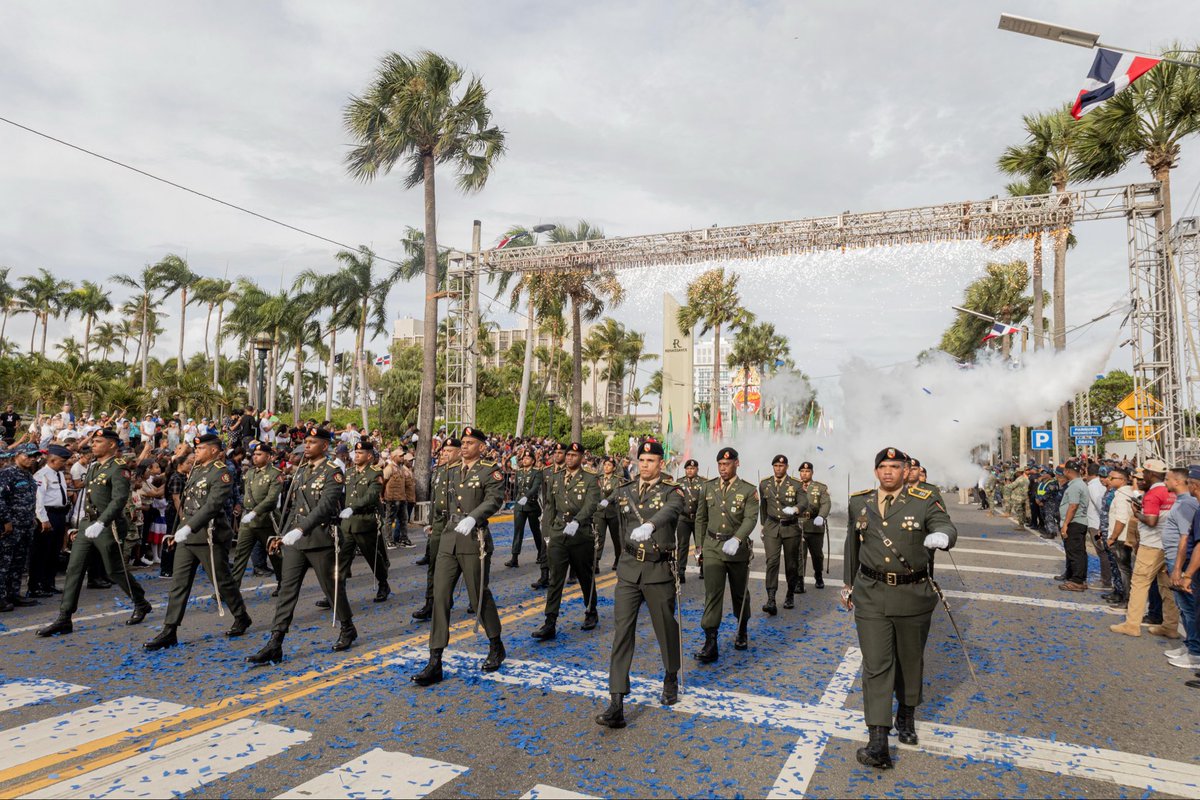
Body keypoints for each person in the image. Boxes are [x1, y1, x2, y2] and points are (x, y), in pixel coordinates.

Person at [842, 446, 957, 769]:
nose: (889, 471)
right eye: (883, 466)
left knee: (909, 660)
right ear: (876, 471)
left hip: (912, 593)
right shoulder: (859, 501)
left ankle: (906, 713)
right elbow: (853, 545)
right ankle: (878, 739)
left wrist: (943, 538)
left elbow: (945, 524)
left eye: (895, 466)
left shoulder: (923, 500)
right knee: (876, 664)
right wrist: (848, 584)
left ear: (906, 471)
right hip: (871, 593)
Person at [595, 440, 685, 728]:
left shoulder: (672, 491)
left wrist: (652, 525)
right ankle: (616, 701)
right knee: (622, 633)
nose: (644, 465)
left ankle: (671, 674)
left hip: (658, 570)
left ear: (661, 464)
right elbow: (618, 527)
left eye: (650, 461)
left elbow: (671, 511)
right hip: (629, 570)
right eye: (641, 460)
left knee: (665, 628)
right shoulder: (624, 491)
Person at [245, 427, 353, 664]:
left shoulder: (333, 472)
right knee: (287, 591)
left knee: (332, 589)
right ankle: (276, 642)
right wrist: (281, 535)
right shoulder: (302, 471)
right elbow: (292, 507)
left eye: (313, 442)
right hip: (295, 540)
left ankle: (347, 627)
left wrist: (300, 529)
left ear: (325, 446)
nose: (307, 446)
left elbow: (325, 507)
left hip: (320, 539)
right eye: (306, 442)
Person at [411, 426, 506, 686]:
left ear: (481, 447)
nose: (464, 446)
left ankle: (496, 644)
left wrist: (474, 517)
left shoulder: (489, 470)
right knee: (441, 597)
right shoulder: (449, 470)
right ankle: (435, 660)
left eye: (470, 442)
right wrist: (435, 523)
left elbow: (494, 499)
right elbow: (442, 502)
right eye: (462, 442)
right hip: (449, 537)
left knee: (478, 597)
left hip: (474, 538)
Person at [36, 430, 152, 636]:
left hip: (108, 526)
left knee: (114, 570)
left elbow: (118, 500)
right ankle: (64, 617)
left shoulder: (119, 468)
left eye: (99, 442)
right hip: (87, 524)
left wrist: (101, 522)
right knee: (74, 568)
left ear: (112, 446)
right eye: (94, 441)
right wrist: (78, 523)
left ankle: (140, 602)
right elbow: (86, 498)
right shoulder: (94, 466)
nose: (94, 445)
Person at [144, 434, 252, 650]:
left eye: (201, 449)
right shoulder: (196, 470)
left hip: (208, 536)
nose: (196, 453)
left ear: (213, 450)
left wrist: (188, 528)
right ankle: (170, 629)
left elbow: (212, 506)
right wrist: (177, 532)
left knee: (222, 581)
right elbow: (186, 504)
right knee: (179, 584)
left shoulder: (221, 473)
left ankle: (241, 616)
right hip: (188, 535)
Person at [694, 447, 758, 662]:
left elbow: (750, 518)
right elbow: (700, 518)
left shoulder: (748, 490)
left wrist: (738, 538)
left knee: (739, 593)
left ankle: (742, 628)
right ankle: (710, 641)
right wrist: (699, 546)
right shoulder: (708, 487)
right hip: (713, 546)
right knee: (712, 594)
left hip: (736, 549)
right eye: (720, 464)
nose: (723, 468)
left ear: (736, 464)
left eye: (727, 464)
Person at [532, 442, 600, 642]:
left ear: (581, 457)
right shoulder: (555, 477)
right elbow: (550, 507)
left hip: (580, 535)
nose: (569, 458)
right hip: (559, 532)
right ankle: (550, 622)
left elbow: (591, 504)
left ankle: (591, 611)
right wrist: (547, 533)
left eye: (573, 455)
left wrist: (578, 521)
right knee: (555, 579)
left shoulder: (590, 478)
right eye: (567, 454)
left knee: (585, 576)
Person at [1111, 459, 1179, 637]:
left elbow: (1151, 521)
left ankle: (1132, 624)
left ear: (1151, 474)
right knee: (1166, 586)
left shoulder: (1152, 494)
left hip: (1152, 544)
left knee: (1139, 583)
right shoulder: (1171, 492)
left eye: (1145, 475)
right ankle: (1170, 626)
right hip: (1170, 545)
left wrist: (1137, 513)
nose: (1142, 478)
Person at [335, 440, 390, 604]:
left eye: (360, 453)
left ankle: (383, 583)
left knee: (372, 557)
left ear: (369, 456)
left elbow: (372, 495)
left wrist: (353, 508)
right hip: (348, 523)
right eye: (355, 453)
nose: (356, 455)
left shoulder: (375, 473)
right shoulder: (349, 472)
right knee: (342, 558)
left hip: (365, 521)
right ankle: (336, 592)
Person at [412, 437, 459, 621]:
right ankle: (430, 602)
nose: (445, 454)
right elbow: (434, 499)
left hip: (455, 523)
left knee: (461, 565)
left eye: (450, 451)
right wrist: (430, 522)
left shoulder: (463, 471)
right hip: (439, 524)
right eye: (444, 451)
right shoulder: (439, 471)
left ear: (459, 452)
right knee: (434, 566)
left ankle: (474, 599)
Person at [758, 454, 807, 615]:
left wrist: (795, 509)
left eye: (781, 466)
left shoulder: (796, 484)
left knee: (791, 564)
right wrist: (763, 525)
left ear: (786, 467)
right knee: (771, 561)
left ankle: (790, 594)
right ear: (773, 467)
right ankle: (771, 598)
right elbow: (763, 507)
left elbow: (804, 502)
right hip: (772, 526)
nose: (778, 468)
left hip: (790, 527)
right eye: (776, 466)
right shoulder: (765, 483)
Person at [1162, 467, 1200, 667]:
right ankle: (1190, 644)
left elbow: (1186, 539)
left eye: (1167, 479)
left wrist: (1179, 569)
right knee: (1184, 608)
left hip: (1182, 562)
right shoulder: (1182, 503)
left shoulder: (1187, 505)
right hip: (1173, 559)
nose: (1165, 482)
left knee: (1189, 607)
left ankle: (1195, 651)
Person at [232, 441, 283, 586]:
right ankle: (232, 588)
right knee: (240, 554)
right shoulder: (249, 473)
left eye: (259, 454)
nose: (255, 457)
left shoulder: (275, 474)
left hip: (266, 519)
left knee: (274, 554)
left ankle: (283, 584)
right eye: (254, 454)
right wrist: (240, 506)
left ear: (269, 457)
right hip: (247, 520)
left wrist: (255, 512)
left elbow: (272, 499)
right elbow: (245, 493)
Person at [0, 444, 42, 610]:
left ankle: (13, 593)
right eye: (29, 455)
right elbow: (1, 499)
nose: (32, 459)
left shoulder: (28, 475)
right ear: (17, 455)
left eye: (34, 456)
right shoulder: (7, 474)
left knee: (19, 562)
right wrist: (6, 520)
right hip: (10, 527)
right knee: (4, 563)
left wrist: (32, 518)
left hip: (25, 525)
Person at [31, 444, 72, 597]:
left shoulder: (59, 474)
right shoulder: (42, 475)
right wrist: (43, 519)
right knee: (42, 551)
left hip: (60, 515)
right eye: (62, 461)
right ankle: (36, 586)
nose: (64, 464)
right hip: (48, 515)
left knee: (54, 551)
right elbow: (38, 500)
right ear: (53, 459)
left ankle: (49, 583)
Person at [797, 460, 831, 590]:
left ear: (812, 473)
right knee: (799, 554)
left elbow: (826, 503)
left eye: (807, 471)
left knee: (817, 555)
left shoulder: (820, 487)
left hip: (814, 525)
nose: (805, 474)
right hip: (799, 525)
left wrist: (821, 516)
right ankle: (800, 581)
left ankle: (818, 575)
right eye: (803, 471)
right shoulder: (794, 486)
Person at [507, 450, 544, 570]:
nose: (524, 460)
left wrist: (526, 497)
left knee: (535, 530)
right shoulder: (519, 472)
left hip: (531, 505)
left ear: (533, 461)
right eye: (523, 458)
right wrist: (519, 499)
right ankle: (514, 557)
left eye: (527, 459)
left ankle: (541, 553)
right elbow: (517, 488)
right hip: (519, 505)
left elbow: (535, 487)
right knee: (518, 531)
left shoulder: (536, 473)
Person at [1058, 461, 1091, 591]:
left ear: (1068, 471)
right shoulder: (1078, 484)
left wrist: (1065, 524)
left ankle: (1077, 581)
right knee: (1078, 552)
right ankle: (1076, 578)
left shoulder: (1075, 486)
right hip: (1077, 522)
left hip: (1074, 523)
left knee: (1075, 553)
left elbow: (1073, 506)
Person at [674, 458, 704, 584]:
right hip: (683, 518)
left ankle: (703, 568)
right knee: (682, 546)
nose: (690, 470)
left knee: (700, 544)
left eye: (692, 468)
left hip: (698, 518)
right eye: (687, 469)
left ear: (697, 469)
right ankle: (681, 571)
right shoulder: (679, 482)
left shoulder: (703, 482)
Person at [1085, 462, 1112, 590]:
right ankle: (1107, 578)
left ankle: (1107, 581)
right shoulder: (1099, 485)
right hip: (1099, 524)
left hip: (1097, 526)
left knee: (1102, 551)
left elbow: (1100, 506)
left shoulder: (1093, 486)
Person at [593, 457, 623, 573]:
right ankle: (596, 562)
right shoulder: (598, 478)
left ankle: (617, 559)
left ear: (614, 468)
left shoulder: (617, 480)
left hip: (612, 512)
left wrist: (608, 500)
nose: (606, 467)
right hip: (599, 513)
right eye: (605, 465)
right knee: (598, 538)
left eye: (609, 465)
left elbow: (616, 492)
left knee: (616, 538)